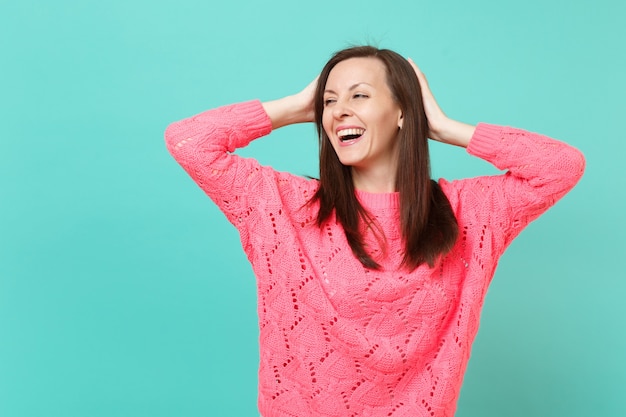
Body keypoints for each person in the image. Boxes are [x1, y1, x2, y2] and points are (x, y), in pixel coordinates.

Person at [165, 46, 585, 417]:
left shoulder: (470, 213)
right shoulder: (280, 206)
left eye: (359, 95)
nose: (338, 110)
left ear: (403, 110)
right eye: (329, 101)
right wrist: (295, 106)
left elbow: (561, 166)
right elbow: (187, 141)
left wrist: (442, 126)